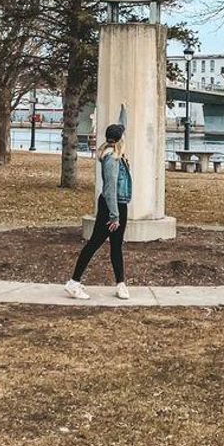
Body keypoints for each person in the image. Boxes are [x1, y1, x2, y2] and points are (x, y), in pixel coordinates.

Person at [65, 104, 132, 300]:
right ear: (119, 140)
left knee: (116, 245)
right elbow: (110, 189)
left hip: (119, 204)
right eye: (123, 135)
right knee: (94, 243)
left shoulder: (114, 149)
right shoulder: (111, 159)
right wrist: (114, 215)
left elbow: (122, 126)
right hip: (112, 206)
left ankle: (121, 284)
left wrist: (123, 110)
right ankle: (73, 282)